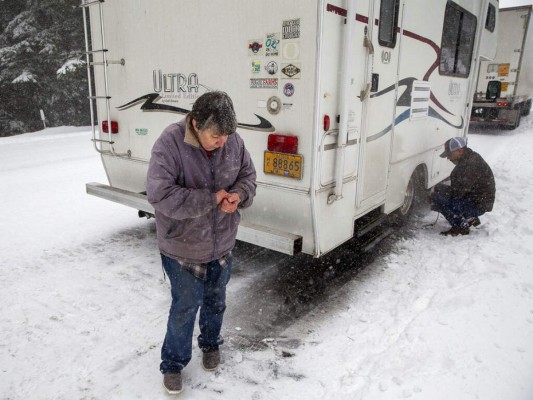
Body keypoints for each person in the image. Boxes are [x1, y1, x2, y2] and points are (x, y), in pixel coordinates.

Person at [146, 91, 257, 394]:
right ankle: (173, 363)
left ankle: (210, 344)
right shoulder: (169, 144)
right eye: (216, 137)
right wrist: (209, 200)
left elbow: (248, 176)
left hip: (221, 244)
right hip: (182, 247)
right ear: (195, 123)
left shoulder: (233, 141)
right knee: (184, 306)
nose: (222, 143)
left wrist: (240, 195)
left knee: (215, 301)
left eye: (226, 137)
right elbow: (160, 195)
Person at [430, 136, 495, 236]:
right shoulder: (468, 159)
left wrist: (438, 190)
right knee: (440, 192)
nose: (448, 158)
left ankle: (460, 227)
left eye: (449, 154)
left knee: (437, 198)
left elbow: (458, 193)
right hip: (477, 199)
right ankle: (469, 218)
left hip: (479, 204)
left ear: (460, 150)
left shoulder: (470, 165)